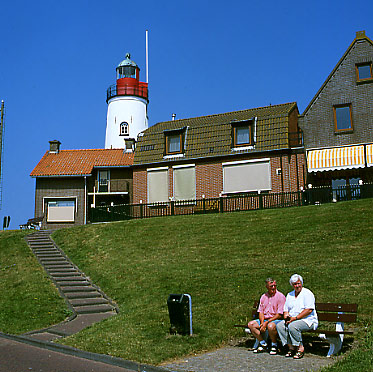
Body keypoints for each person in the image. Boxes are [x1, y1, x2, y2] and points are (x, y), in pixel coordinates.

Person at [277, 274, 318, 359]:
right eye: (295, 284)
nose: (297, 286)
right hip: (292, 319)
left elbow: (309, 310)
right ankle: (291, 347)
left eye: (298, 283)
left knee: (293, 326)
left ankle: (300, 348)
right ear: (292, 285)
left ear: (301, 283)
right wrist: (286, 317)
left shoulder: (307, 293)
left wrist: (295, 318)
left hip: (307, 320)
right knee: (280, 325)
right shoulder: (290, 295)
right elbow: (286, 309)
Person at [247, 278, 286, 355]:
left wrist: (266, 322)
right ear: (267, 286)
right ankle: (263, 343)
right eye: (271, 286)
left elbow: (279, 314)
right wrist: (262, 323)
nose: (273, 288)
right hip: (265, 319)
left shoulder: (280, 296)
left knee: (270, 326)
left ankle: (274, 345)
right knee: (251, 324)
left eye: (275, 285)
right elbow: (261, 312)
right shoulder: (264, 297)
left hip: (276, 319)